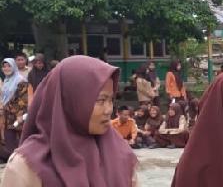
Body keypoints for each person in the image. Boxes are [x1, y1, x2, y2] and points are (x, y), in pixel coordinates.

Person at [0, 55, 138, 186]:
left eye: (110, 100)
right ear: (69, 101)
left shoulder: (120, 154)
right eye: (100, 100)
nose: (108, 110)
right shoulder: (28, 167)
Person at [0, 58, 28, 161]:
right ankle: (13, 161)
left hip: (17, 116)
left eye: (9, 66)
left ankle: (22, 161)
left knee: (19, 140)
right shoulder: (6, 80)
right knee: (9, 140)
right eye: (4, 66)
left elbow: (23, 100)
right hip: (7, 116)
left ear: (14, 67)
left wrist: (7, 109)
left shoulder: (21, 80)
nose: (6, 68)